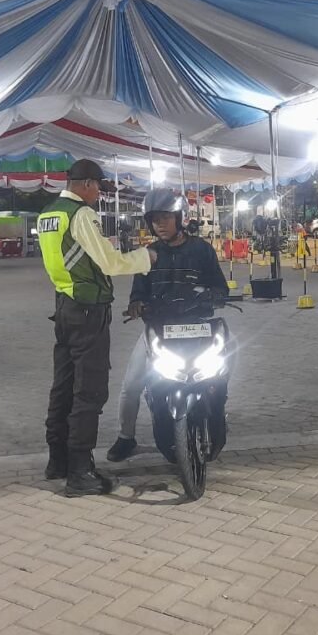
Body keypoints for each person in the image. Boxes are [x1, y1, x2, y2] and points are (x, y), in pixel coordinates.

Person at [38, 159, 156, 497]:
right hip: (88, 310)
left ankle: (57, 460)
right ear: (87, 184)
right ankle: (80, 472)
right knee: (89, 390)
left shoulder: (48, 214)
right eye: (99, 189)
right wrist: (146, 258)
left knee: (63, 386)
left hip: (64, 306)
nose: (99, 196)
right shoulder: (80, 214)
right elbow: (109, 262)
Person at [107, 189, 230, 463]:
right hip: (160, 329)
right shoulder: (147, 255)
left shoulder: (202, 250)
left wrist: (215, 295)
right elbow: (138, 292)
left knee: (222, 367)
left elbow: (220, 286)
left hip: (199, 327)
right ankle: (126, 437)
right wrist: (137, 304)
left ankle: (217, 413)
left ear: (180, 218)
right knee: (131, 385)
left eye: (165, 218)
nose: (159, 224)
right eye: (154, 219)